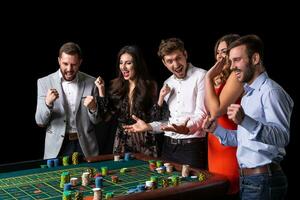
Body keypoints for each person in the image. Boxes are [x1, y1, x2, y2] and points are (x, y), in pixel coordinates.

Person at [202, 35, 294, 200]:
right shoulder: (248, 94)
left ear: (255, 58)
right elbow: (246, 139)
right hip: (250, 180)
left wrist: (245, 121)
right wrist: (216, 130)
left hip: (265, 180)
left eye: (237, 60)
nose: (232, 66)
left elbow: (282, 137)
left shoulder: (271, 92)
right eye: (231, 61)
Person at [124, 38, 208, 169]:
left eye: (178, 58)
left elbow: (201, 114)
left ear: (185, 55)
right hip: (168, 147)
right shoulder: (167, 83)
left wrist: (186, 128)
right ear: (164, 63)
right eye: (170, 61)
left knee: (193, 188)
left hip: (192, 147)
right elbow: (167, 122)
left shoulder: (201, 76)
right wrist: (149, 126)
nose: (175, 64)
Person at [95, 45, 168, 157]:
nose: (123, 67)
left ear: (137, 64)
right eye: (121, 63)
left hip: (144, 139)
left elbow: (156, 119)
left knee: (147, 173)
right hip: (122, 140)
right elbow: (106, 116)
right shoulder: (116, 86)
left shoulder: (150, 86)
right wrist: (101, 90)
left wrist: (160, 100)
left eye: (128, 63)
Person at [35, 42, 101, 160]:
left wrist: (93, 108)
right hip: (57, 147)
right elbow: (40, 121)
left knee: (88, 178)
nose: (69, 69)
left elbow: (97, 121)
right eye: (65, 64)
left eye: (74, 64)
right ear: (59, 60)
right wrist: (48, 104)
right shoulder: (44, 82)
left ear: (80, 62)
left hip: (85, 146)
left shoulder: (92, 82)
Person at [205, 34, 242, 197]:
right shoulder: (219, 78)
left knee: (230, 187)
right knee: (218, 187)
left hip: (231, 142)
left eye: (225, 51)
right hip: (215, 140)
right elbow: (209, 111)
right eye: (218, 52)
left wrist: (208, 77)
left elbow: (216, 111)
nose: (220, 56)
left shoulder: (236, 75)